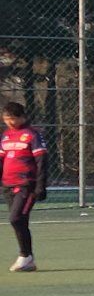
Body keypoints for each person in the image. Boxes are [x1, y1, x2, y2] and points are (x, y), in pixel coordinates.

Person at [3, 102, 48, 273]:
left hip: (26, 185)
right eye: (6, 119)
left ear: (22, 117)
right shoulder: (6, 136)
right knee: (20, 221)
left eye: (13, 118)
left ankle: (25, 256)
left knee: (16, 219)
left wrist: (40, 186)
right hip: (8, 184)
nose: (10, 122)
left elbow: (41, 161)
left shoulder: (32, 135)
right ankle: (27, 259)